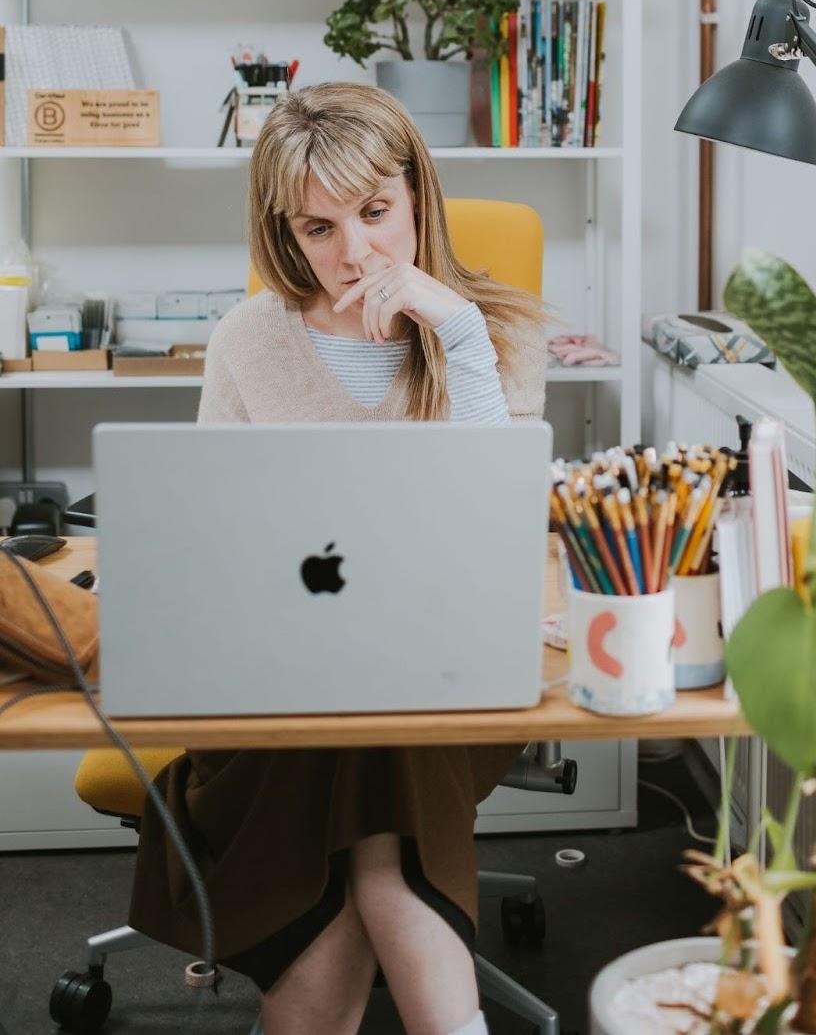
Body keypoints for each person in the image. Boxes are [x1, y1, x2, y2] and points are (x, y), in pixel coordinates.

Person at [129, 83, 547, 1035]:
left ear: (417, 197)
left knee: (380, 723)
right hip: (280, 685)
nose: (355, 253)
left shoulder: (493, 333)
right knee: (368, 787)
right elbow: (211, 538)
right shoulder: (247, 340)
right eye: (319, 228)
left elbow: (501, 532)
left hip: (450, 682)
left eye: (374, 213)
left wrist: (461, 338)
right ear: (285, 233)